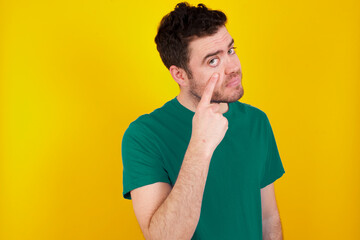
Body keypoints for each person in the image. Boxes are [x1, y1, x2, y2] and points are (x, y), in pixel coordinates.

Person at [121, 2, 285, 239]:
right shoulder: (144, 135)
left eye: (230, 50)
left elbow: (268, 218)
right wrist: (200, 146)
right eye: (213, 61)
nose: (233, 68)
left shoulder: (256, 121)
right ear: (180, 75)